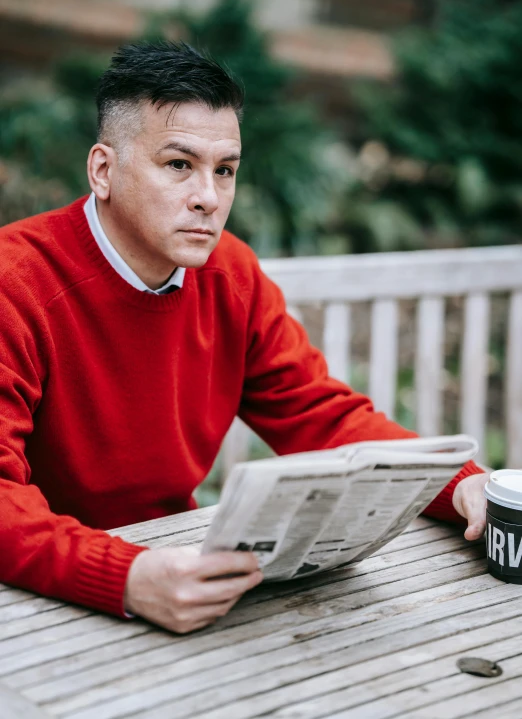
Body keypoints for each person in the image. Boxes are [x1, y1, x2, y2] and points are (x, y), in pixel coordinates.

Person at [0, 41, 488, 634]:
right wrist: (126, 575)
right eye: (179, 165)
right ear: (103, 170)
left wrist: (464, 485)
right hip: (39, 595)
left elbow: (321, 415)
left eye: (224, 170)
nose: (209, 196)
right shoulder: (16, 283)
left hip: (178, 569)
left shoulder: (231, 276)